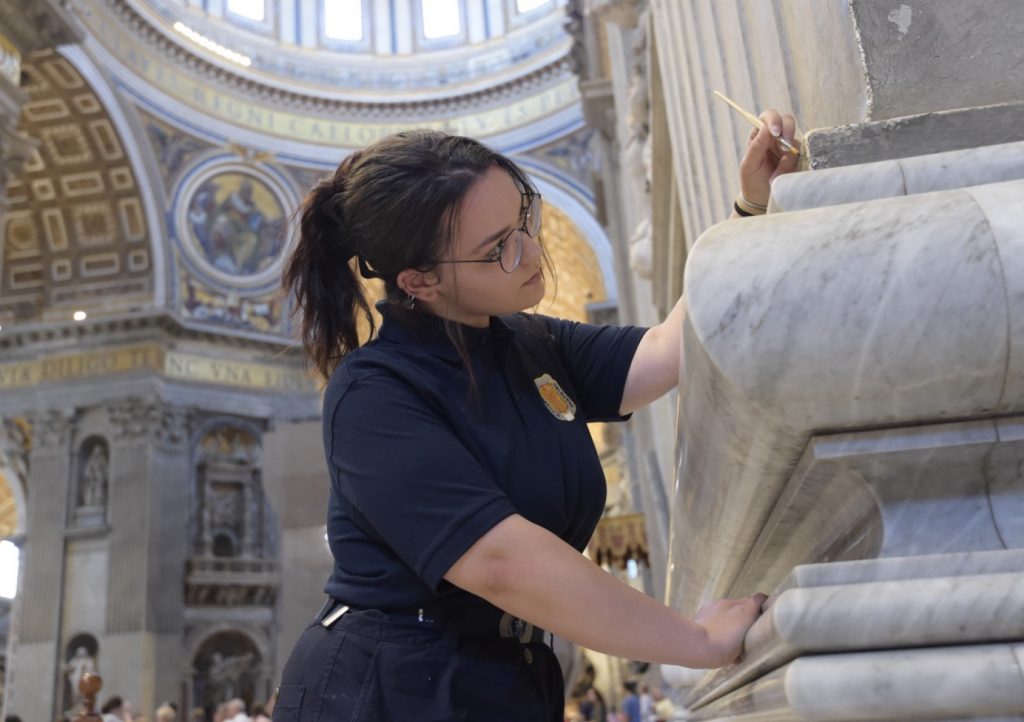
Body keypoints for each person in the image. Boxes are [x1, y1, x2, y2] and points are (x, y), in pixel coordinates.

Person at [274, 116, 797, 721]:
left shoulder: (529, 341)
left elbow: (664, 353)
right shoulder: (373, 393)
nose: (531, 250)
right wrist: (695, 641)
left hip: (506, 671)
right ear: (420, 281)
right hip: (389, 686)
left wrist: (752, 210)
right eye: (497, 248)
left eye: (524, 218)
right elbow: (501, 562)